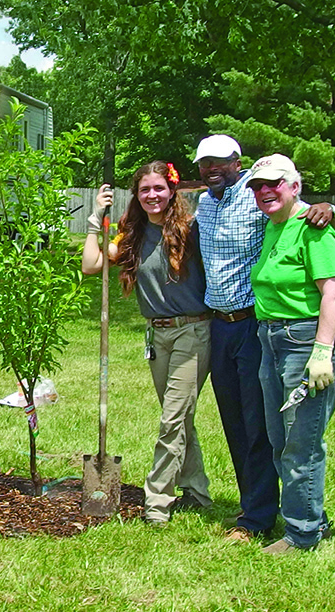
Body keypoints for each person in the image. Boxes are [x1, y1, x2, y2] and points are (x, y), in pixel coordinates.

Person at [194, 134, 335, 541]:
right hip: (218, 326)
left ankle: (258, 518)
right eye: (205, 163)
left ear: (237, 162)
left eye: (220, 162)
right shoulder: (204, 203)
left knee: (259, 424)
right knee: (234, 423)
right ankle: (253, 505)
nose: (212, 170)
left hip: (254, 325)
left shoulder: (258, 198)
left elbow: (301, 213)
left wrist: (328, 208)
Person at [82, 161, 212, 525]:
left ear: (171, 191)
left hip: (194, 331)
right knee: (180, 417)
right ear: (136, 196)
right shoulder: (134, 237)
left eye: (158, 188)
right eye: (144, 190)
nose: (152, 196)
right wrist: (96, 218)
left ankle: (157, 504)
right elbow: (91, 264)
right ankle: (198, 492)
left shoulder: (191, 230)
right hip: (158, 335)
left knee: (172, 419)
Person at [248, 154, 335, 554]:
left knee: (301, 442)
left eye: (273, 183)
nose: (264, 192)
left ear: (295, 186)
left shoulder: (315, 229)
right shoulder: (274, 227)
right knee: (281, 439)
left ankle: (302, 533)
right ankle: (312, 515)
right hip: (271, 340)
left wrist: (322, 352)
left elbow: (334, 291)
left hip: (307, 340)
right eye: (258, 186)